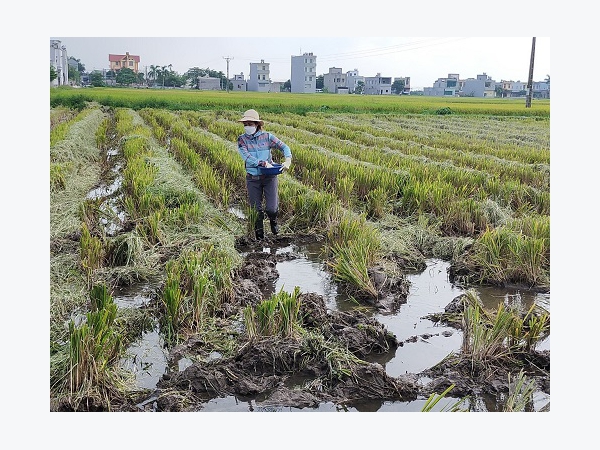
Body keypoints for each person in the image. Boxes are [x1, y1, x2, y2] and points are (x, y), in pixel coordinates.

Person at [237, 109, 292, 240]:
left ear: (257, 124)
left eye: (250, 124)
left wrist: (288, 159)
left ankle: (273, 221)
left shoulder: (267, 137)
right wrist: (262, 163)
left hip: (269, 177)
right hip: (253, 178)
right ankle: (260, 238)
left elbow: (284, 147)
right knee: (256, 211)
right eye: (245, 124)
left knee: (271, 208)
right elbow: (247, 157)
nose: (247, 127)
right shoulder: (242, 140)